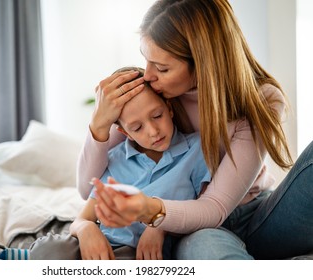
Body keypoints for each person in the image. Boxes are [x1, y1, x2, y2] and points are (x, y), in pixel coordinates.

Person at [77, 0, 313, 260]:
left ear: (203, 63)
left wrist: (152, 214)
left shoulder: (262, 99)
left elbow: (215, 206)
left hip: (255, 215)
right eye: (147, 60)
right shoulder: (154, 94)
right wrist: (98, 126)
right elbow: (86, 188)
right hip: (196, 227)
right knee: (209, 249)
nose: (148, 75)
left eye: (162, 68)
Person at [27, 66, 210, 260]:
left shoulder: (196, 151)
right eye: (137, 127)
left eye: (157, 116)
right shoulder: (115, 159)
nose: (153, 131)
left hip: (134, 253)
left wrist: (161, 226)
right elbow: (82, 218)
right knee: (48, 251)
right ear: (125, 133)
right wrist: (87, 228)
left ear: (169, 108)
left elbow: (203, 214)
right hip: (100, 244)